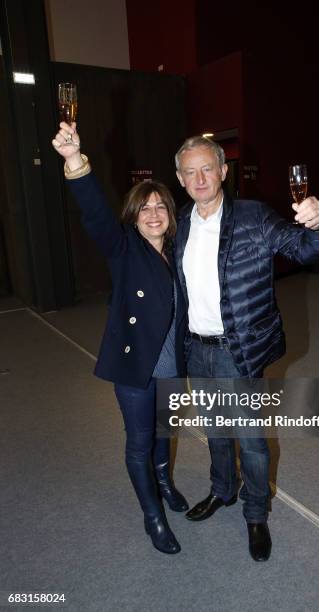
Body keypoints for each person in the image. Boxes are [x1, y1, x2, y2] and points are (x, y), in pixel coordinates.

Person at [173, 136, 319, 561]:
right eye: (190, 171)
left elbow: (305, 248)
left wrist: (318, 224)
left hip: (237, 350)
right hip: (196, 349)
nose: (200, 178)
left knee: (251, 440)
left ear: (224, 171)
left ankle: (256, 512)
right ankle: (223, 491)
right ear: (180, 178)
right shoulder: (180, 223)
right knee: (215, 430)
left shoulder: (253, 217)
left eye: (207, 168)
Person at [52, 122, 188, 555]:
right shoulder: (123, 246)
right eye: (144, 208)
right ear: (133, 215)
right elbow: (94, 212)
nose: (153, 214)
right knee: (139, 442)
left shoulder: (182, 248)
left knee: (166, 431)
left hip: (173, 365)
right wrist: (76, 162)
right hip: (135, 367)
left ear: (170, 214)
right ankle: (153, 518)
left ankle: (164, 480)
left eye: (160, 207)